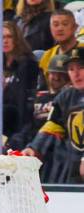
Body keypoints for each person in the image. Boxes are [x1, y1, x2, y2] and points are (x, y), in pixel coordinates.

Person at [24, 46, 84, 182]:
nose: (76, 74)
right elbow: (52, 126)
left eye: (80, 67)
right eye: (71, 69)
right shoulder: (65, 96)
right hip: (72, 162)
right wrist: (34, 148)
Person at [38, 9, 82, 88]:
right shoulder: (47, 56)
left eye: (65, 24)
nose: (60, 28)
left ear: (75, 27)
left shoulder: (82, 50)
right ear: (50, 28)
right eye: (55, 25)